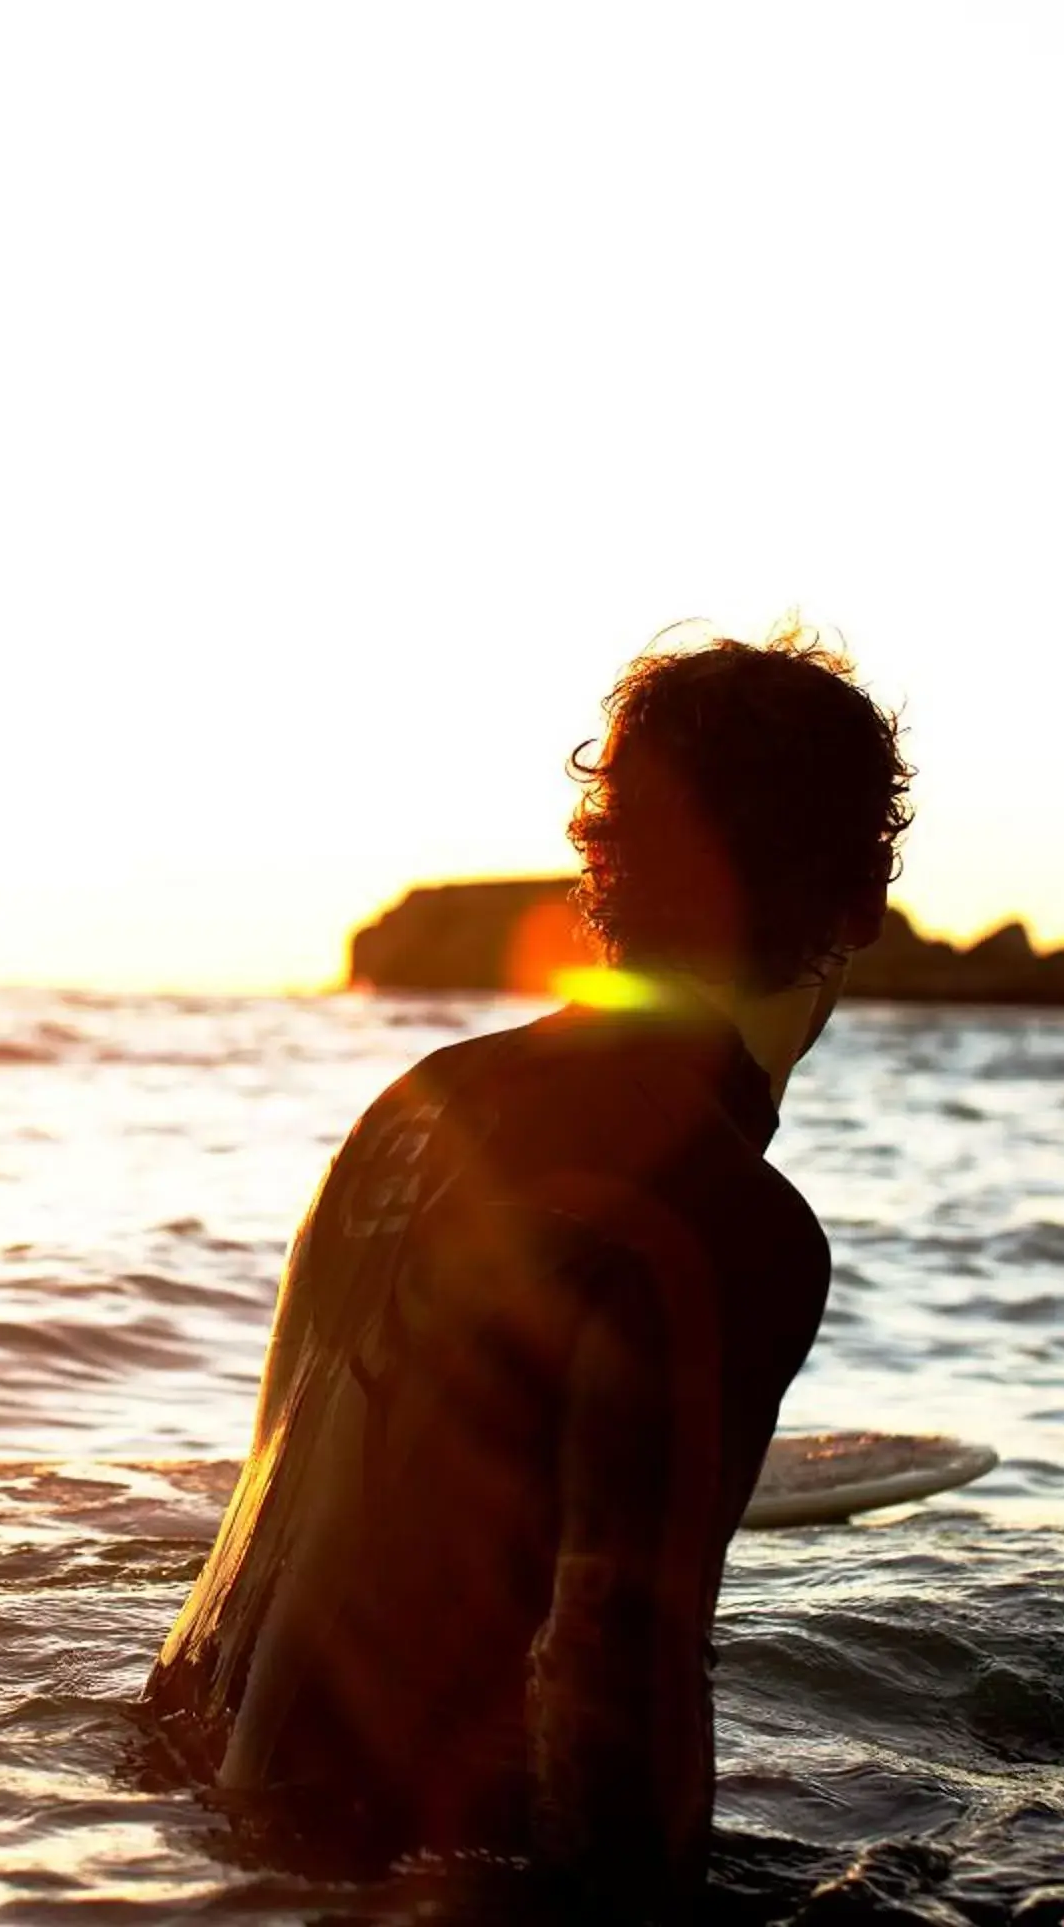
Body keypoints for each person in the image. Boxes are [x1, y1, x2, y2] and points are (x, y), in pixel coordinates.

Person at [142, 630, 912, 1916]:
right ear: (860, 903)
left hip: (179, 1806)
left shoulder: (418, 1106)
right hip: (392, 1864)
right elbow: (618, 1681)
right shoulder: (723, 1225)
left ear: (600, 867)